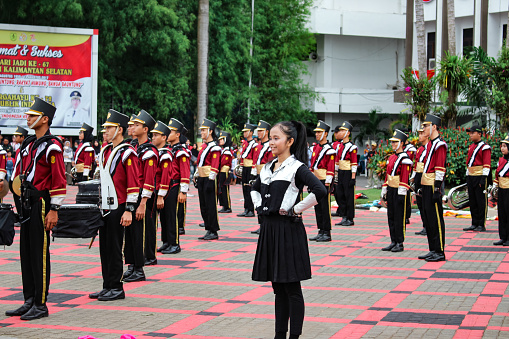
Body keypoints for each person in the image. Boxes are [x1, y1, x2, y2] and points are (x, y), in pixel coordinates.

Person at [251, 120, 326, 339]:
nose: (271, 142)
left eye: (276, 138)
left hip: (288, 230)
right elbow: (254, 189)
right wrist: (259, 207)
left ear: (290, 141)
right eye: (271, 138)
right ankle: (279, 335)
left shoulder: (296, 167)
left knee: (292, 288)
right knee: (278, 288)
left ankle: (294, 336)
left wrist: (296, 209)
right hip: (270, 230)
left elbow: (320, 190)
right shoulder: (267, 167)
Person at [5, 97, 66, 320]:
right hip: (27, 203)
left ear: (45, 119)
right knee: (26, 253)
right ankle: (29, 299)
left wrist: (54, 209)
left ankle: (40, 304)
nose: (27, 118)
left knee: (39, 254)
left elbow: (59, 180)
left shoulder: (53, 146)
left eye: (32, 116)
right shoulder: (29, 143)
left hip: (42, 204)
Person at [90, 109, 140, 301]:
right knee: (105, 248)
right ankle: (107, 285)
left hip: (119, 205)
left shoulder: (128, 153)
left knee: (116, 246)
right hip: (105, 205)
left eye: (109, 128)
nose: (105, 132)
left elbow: (133, 183)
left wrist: (129, 209)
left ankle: (117, 287)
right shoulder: (106, 151)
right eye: (104, 129)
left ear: (119, 129)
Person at [127, 110, 159, 274]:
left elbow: (149, 179)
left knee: (140, 233)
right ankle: (132, 264)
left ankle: (139, 269)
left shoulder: (149, 152)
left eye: (137, 125)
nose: (133, 127)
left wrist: (143, 203)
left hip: (141, 195)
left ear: (146, 129)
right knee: (131, 233)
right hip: (132, 194)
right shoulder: (134, 147)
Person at [158, 119, 190, 254]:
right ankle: (166, 241)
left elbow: (185, 171)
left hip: (175, 185)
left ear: (177, 134)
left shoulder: (181, 150)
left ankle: (175, 243)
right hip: (166, 186)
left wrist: (183, 191)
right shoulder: (168, 149)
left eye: (170, 131)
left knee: (172, 215)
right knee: (164, 216)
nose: (168, 134)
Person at [418, 114, 447, 262]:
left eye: (426, 126)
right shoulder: (429, 144)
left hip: (433, 185)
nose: (423, 129)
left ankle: (439, 250)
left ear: (434, 127)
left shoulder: (439, 145)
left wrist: (437, 189)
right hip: (426, 184)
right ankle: (432, 249)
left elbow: (440, 168)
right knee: (428, 219)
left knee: (436, 219)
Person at [380, 130, 412, 252]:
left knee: (399, 217)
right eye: (392, 142)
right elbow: (387, 175)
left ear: (402, 143)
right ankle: (393, 240)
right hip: (391, 188)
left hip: (400, 190)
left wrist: (402, 193)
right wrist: (384, 188)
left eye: (395, 142)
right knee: (391, 216)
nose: (392, 144)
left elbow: (404, 177)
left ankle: (400, 242)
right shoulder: (392, 157)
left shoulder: (405, 159)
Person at [309, 120, 335, 242]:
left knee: (325, 207)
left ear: (325, 134)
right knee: (317, 206)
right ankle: (320, 230)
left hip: (324, 180)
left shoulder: (329, 150)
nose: (317, 134)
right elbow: (312, 165)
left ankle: (327, 232)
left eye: (320, 132)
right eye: (316, 132)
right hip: (316, 179)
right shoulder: (315, 147)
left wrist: (328, 183)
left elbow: (330, 167)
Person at [462, 124, 491, 232]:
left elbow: (486, 164)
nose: (470, 135)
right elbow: (469, 163)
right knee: (472, 201)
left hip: (480, 176)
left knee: (481, 201)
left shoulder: (485, 147)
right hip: (471, 175)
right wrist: (467, 175)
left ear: (479, 134)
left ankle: (481, 224)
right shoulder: (471, 146)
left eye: (473, 133)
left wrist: (483, 178)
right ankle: (474, 223)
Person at [196, 118, 221, 240]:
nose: (202, 133)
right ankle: (208, 228)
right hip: (202, 177)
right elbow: (200, 162)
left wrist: (211, 180)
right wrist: (197, 175)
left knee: (211, 205)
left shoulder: (214, 147)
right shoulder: (205, 147)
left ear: (210, 131)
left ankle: (213, 230)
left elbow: (215, 164)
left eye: (204, 130)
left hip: (209, 178)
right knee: (203, 205)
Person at [251, 120, 274, 234]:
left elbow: (270, 161)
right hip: (258, 173)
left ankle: (265, 224)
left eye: (261, 131)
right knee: (258, 199)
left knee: (266, 200)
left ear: (267, 132)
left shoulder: (270, 146)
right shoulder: (258, 146)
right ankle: (260, 223)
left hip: (266, 174)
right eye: (258, 131)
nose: (259, 133)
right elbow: (256, 159)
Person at [334, 121, 357, 226]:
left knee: (349, 195)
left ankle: (350, 218)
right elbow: (337, 160)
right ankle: (343, 216)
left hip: (348, 172)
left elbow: (354, 163)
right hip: (341, 171)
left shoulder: (352, 147)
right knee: (339, 194)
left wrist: (353, 177)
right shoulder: (339, 146)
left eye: (343, 130)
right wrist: (336, 174)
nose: (341, 132)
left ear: (348, 133)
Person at [238, 123, 257, 217]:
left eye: (246, 131)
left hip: (250, 167)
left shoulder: (254, 144)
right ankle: (246, 208)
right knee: (244, 188)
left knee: (250, 188)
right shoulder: (245, 144)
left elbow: (255, 157)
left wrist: (254, 169)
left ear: (251, 132)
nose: (244, 133)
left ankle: (251, 210)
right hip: (245, 167)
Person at [412, 126, 429, 236]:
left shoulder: (430, 149)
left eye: (421, 134)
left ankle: (428, 226)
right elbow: (416, 165)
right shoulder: (420, 149)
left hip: (426, 177)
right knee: (420, 204)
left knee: (426, 204)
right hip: (418, 176)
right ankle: (424, 225)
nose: (419, 136)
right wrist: (413, 178)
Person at [493, 135, 509, 246]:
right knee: (502, 213)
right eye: (501, 146)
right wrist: (495, 185)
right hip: (502, 189)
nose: (502, 148)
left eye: (505, 146)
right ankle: (503, 237)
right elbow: (497, 173)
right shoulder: (501, 160)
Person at [403, 132, 417, 225]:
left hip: (408, 174)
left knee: (407, 196)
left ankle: (407, 216)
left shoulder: (411, 149)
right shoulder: (401, 148)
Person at [218, 131, 233, 213]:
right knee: (221, 188)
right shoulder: (223, 150)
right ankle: (224, 206)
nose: (220, 141)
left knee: (225, 189)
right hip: (222, 171)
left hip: (225, 171)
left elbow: (223, 162)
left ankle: (228, 207)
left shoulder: (227, 151)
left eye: (222, 139)